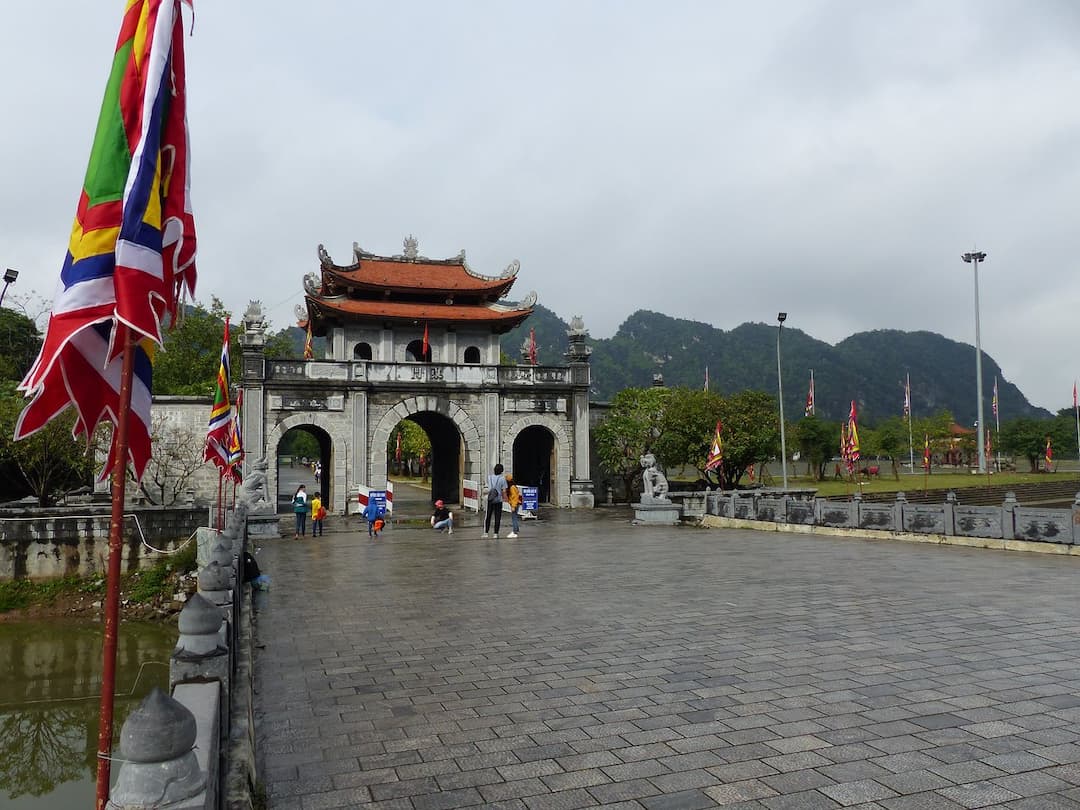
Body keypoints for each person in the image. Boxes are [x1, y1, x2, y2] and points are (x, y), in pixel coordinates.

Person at [482, 463, 508, 539]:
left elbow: (487, 487)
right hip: (498, 500)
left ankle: (486, 532)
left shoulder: (489, 477)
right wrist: (506, 499)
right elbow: (504, 491)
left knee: (488, 516)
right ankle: (495, 534)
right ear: (501, 471)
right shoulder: (502, 479)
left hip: (490, 499)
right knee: (497, 517)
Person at [505, 474, 521, 538]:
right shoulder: (513, 486)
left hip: (515, 504)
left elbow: (515, 497)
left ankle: (515, 532)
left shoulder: (512, 487)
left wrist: (513, 506)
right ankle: (516, 529)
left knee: (514, 517)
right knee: (514, 517)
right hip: (515, 504)